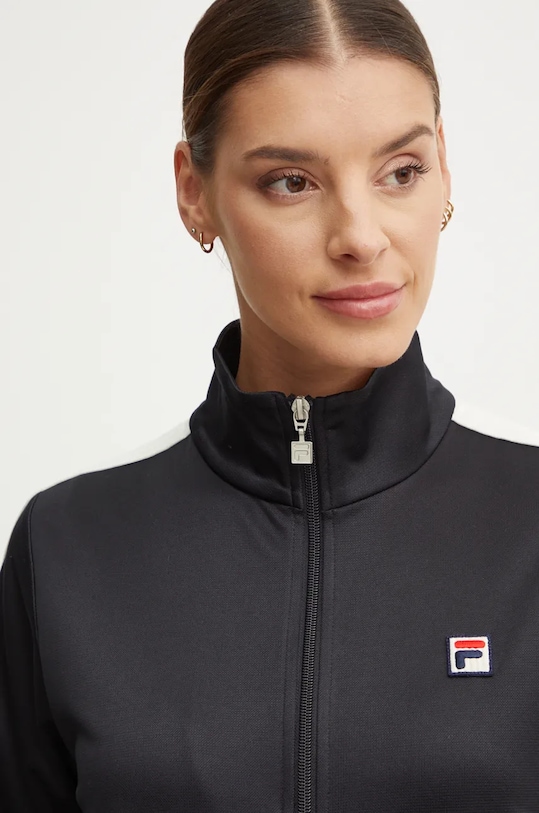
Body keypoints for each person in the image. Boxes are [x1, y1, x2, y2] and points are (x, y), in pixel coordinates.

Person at [2, 0, 539, 810]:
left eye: (400, 171)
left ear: (444, 172)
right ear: (194, 192)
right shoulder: (67, 548)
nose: (360, 235)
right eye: (291, 181)